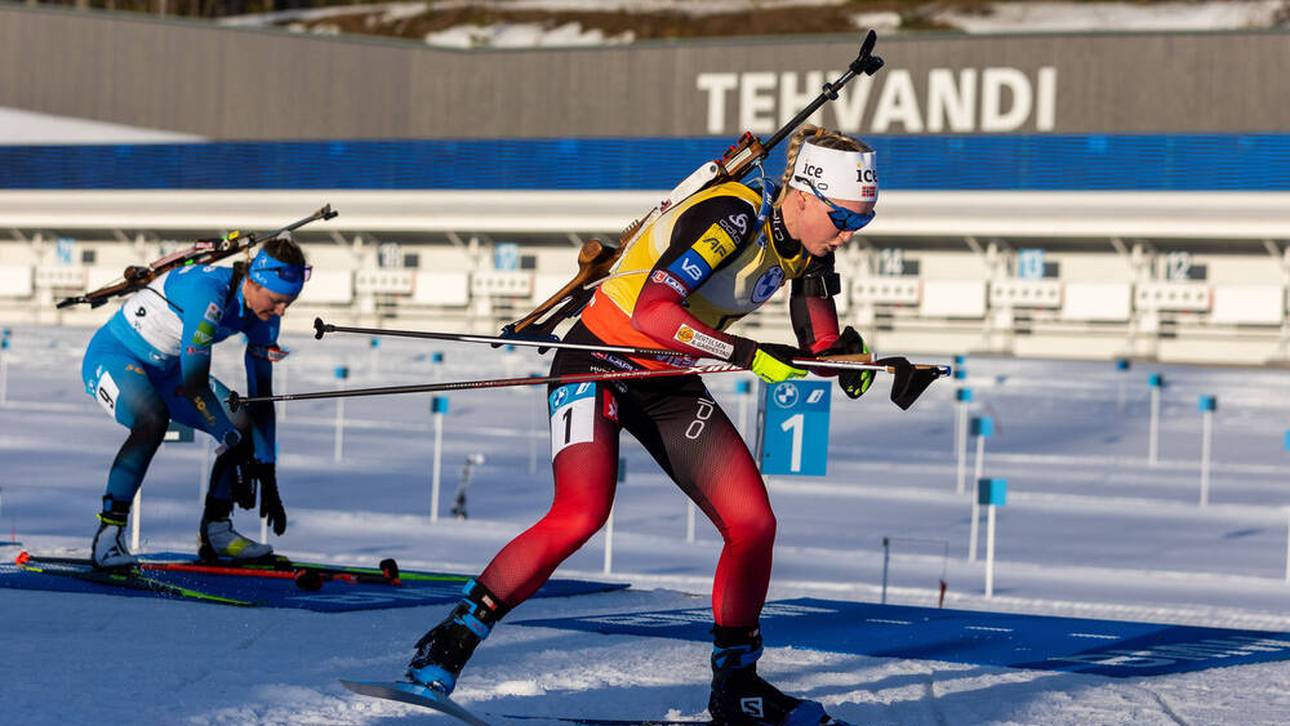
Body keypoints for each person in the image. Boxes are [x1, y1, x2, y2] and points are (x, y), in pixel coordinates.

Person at [407, 126, 878, 725]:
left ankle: (736, 685)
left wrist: (852, 362)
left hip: (668, 382)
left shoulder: (808, 247)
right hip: (599, 361)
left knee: (752, 523)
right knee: (580, 511)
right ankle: (448, 644)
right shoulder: (734, 217)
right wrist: (750, 355)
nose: (847, 235)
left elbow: (821, 338)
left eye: (860, 223)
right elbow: (654, 311)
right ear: (805, 196)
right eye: (843, 219)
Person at [81, 237, 309, 568]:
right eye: (276, 301)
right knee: (151, 421)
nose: (281, 312)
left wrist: (266, 464)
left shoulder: (266, 313)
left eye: (289, 303)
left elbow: (261, 393)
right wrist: (229, 439)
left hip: (168, 372)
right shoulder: (209, 293)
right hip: (116, 357)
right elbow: (194, 385)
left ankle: (217, 533)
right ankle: (109, 536)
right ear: (253, 281)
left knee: (243, 424)